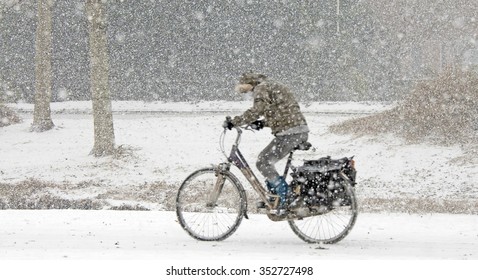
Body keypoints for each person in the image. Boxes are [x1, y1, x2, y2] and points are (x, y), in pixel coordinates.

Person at [224, 72, 309, 212]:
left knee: (262, 162)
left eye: (246, 90)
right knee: (265, 161)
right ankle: (274, 197)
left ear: (250, 84)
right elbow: (283, 113)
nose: (249, 94)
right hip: (296, 130)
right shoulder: (271, 86)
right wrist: (263, 123)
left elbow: (257, 110)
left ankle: (285, 194)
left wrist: (234, 122)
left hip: (291, 133)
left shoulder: (261, 88)